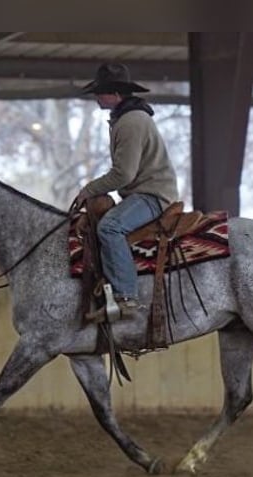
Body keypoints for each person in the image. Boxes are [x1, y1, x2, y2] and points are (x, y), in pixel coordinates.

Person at [74, 62, 179, 320]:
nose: (97, 97)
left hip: (152, 195)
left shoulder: (130, 122)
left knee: (109, 227)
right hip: (145, 192)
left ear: (116, 93)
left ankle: (126, 298)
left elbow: (124, 174)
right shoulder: (127, 118)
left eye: (101, 91)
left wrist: (88, 190)